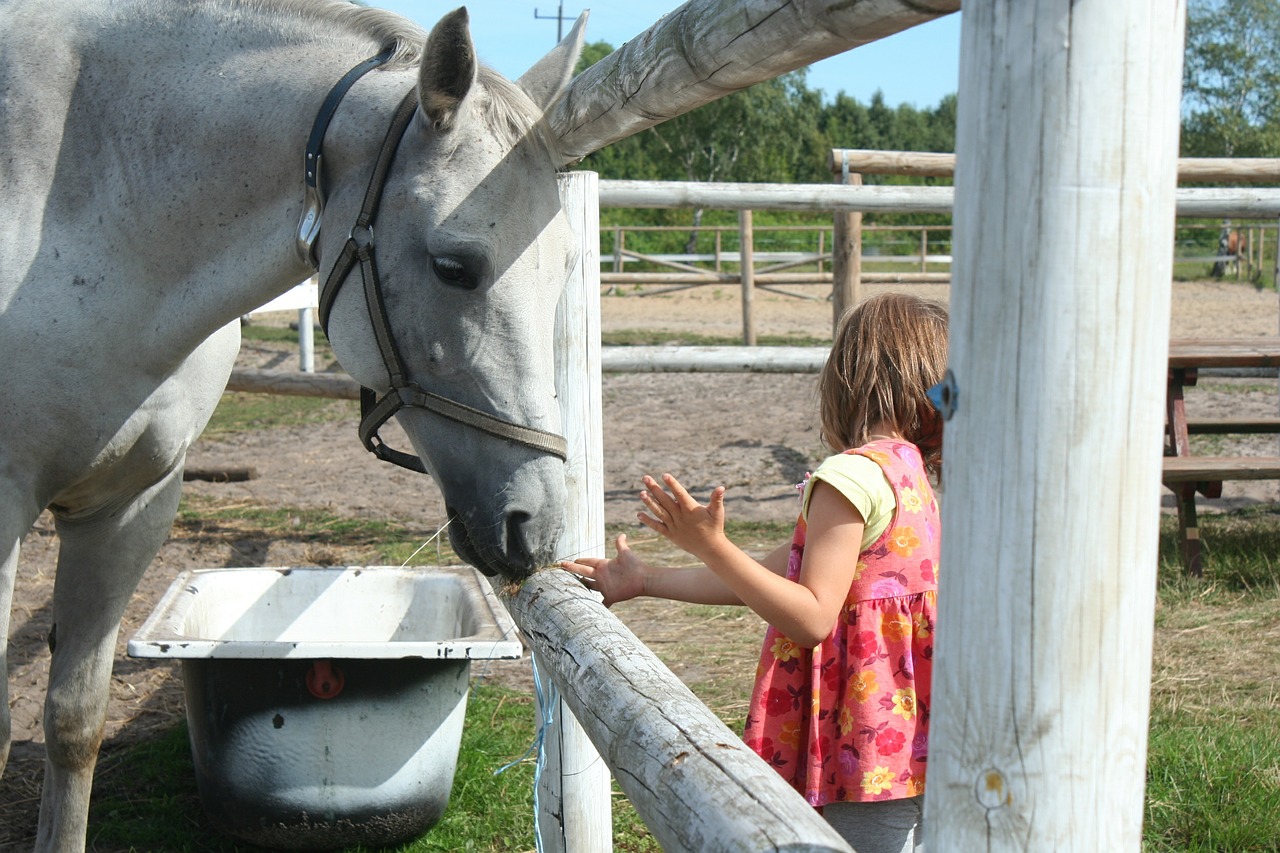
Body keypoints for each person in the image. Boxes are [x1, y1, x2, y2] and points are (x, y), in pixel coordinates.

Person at [561, 292, 947, 853]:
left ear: (850, 374)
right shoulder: (909, 474)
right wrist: (645, 580)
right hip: (913, 733)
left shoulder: (850, 477)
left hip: (858, 738)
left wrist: (712, 546)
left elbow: (811, 616)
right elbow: (767, 577)